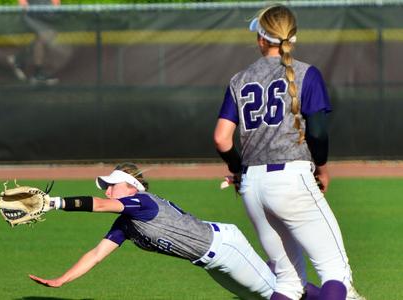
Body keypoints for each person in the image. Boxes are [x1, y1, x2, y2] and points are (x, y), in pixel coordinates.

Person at [213, 4, 364, 300]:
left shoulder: (239, 80)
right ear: (292, 37)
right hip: (292, 178)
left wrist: (238, 169)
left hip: (253, 186)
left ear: (260, 38)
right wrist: (321, 167)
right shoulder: (306, 73)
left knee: (287, 282)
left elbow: (221, 138)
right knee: (336, 272)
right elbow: (318, 131)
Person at [28, 162, 311, 300]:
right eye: (107, 186)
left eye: (114, 184)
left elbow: (101, 205)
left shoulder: (141, 202)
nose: (109, 189)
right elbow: (96, 254)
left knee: (279, 292)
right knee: (267, 293)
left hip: (226, 248)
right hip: (210, 261)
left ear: (132, 186)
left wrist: (54, 203)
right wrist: (62, 280)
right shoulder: (127, 221)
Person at [7, 0, 61, 85]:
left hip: (47, 14)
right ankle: (38, 74)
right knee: (43, 38)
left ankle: (18, 59)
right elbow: (23, 3)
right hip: (32, 15)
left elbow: (56, 3)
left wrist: (54, 7)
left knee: (47, 36)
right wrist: (27, 9)